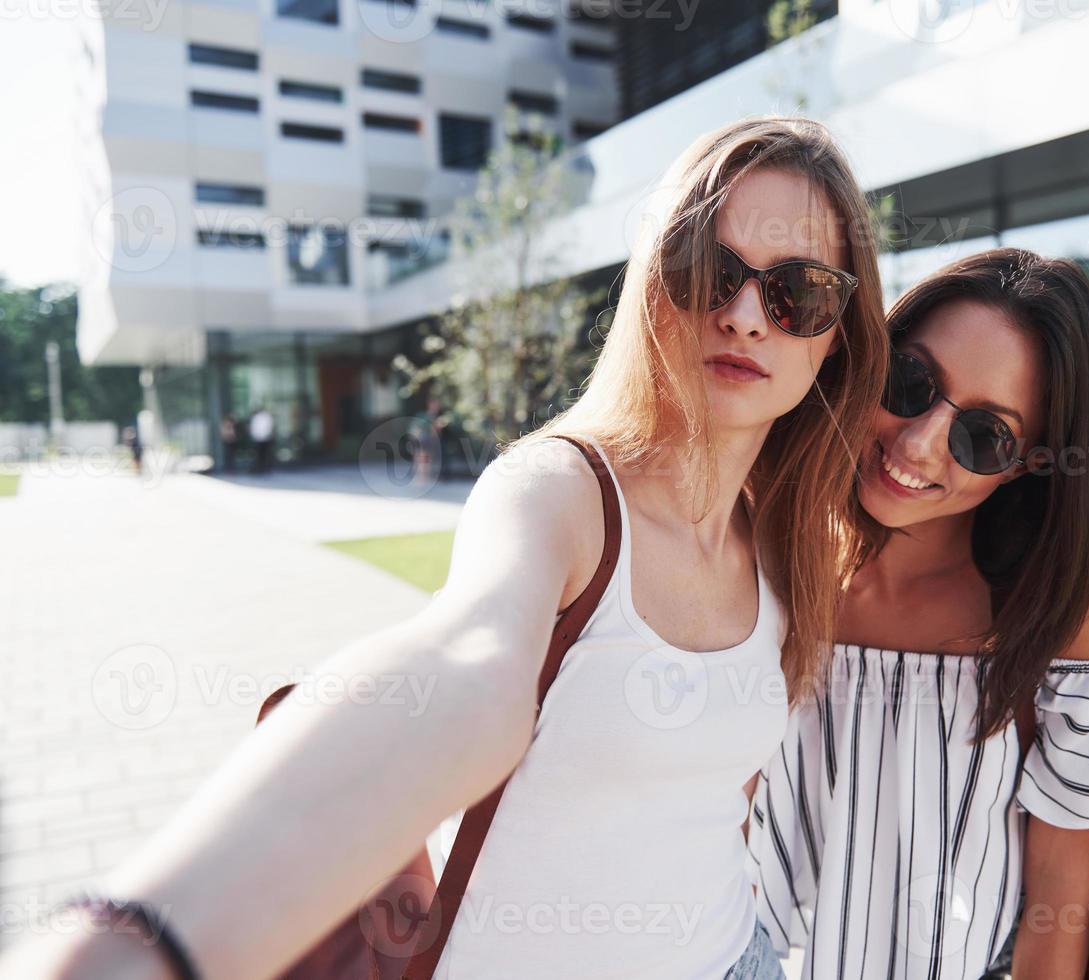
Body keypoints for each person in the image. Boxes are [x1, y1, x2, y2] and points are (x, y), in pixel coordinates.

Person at [0, 116, 889, 980]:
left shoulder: (784, 546)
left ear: (838, 335)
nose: (742, 315)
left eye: (797, 291)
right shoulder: (559, 493)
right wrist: (138, 948)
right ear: (653, 281)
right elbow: (463, 667)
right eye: (708, 269)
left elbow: (712, 800)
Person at [747, 249, 1089, 980]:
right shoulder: (763, 533)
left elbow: (1060, 876)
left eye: (984, 436)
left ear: (1032, 460)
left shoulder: (1075, 586)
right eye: (911, 382)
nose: (915, 444)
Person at [248, 406, 274, 475]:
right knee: (263, 455)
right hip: (263, 438)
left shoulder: (258, 417)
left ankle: (262, 468)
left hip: (260, 438)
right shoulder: (266, 417)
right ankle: (263, 468)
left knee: (261, 455)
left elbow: (254, 428)